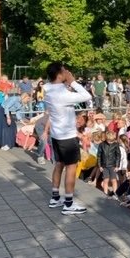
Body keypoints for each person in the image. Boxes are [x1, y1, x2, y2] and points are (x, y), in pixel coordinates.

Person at [42, 62, 92, 214]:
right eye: (64, 70)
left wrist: (67, 83)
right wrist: (73, 82)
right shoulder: (62, 94)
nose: (68, 72)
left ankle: (55, 198)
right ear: (59, 74)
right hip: (67, 137)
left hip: (57, 135)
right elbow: (87, 96)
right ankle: (69, 204)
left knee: (59, 164)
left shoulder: (48, 89)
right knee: (71, 167)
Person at [98, 130, 121, 199]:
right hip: (104, 165)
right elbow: (99, 155)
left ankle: (115, 194)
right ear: (106, 138)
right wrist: (100, 165)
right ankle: (105, 193)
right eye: (109, 141)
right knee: (106, 180)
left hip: (113, 165)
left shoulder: (116, 145)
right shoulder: (102, 145)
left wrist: (117, 165)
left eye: (112, 140)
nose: (111, 142)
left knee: (114, 180)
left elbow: (118, 155)